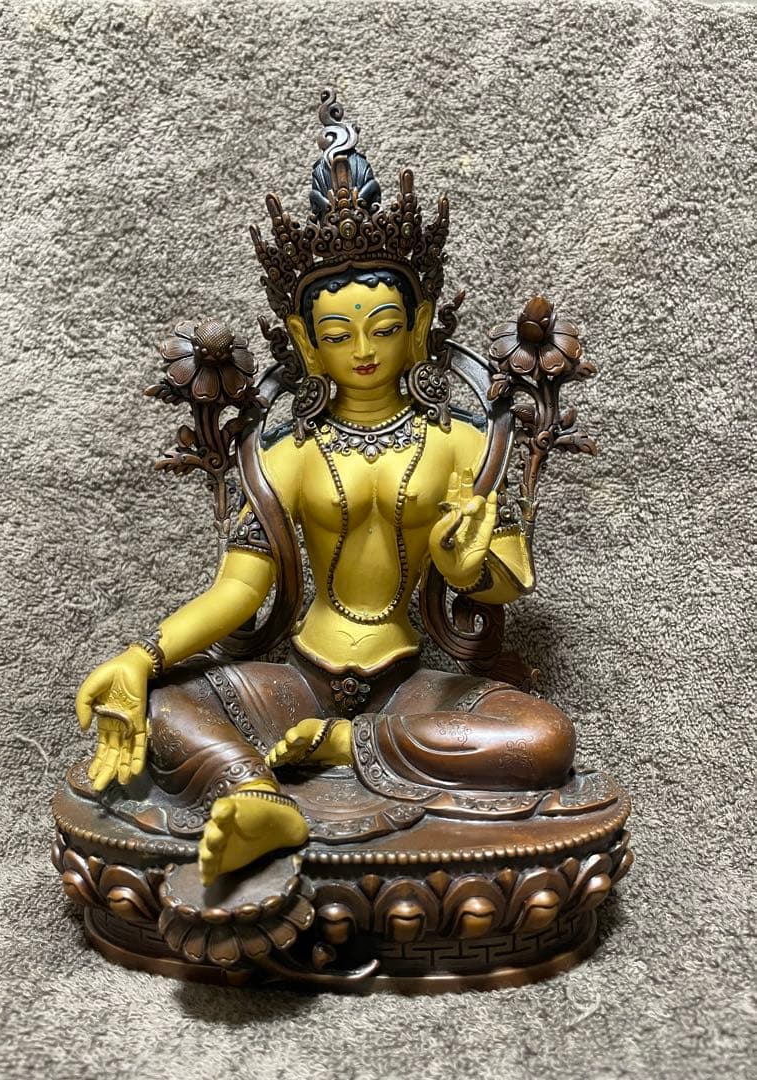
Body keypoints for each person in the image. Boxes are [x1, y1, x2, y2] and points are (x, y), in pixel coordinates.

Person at [74, 94, 576, 887]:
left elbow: (509, 577)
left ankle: (344, 749)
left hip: (409, 686)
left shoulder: (464, 442)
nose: (363, 350)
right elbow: (240, 590)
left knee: (545, 738)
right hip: (298, 680)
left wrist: (467, 567)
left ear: (419, 327)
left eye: (384, 327)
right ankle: (253, 797)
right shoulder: (289, 454)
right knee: (165, 704)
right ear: (307, 344)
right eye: (338, 335)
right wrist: (141, 656)